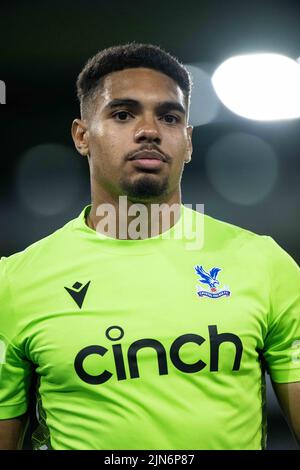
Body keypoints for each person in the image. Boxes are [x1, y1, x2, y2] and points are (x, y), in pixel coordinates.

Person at [0, 43, 299, 451]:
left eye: (169, 117)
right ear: (82, 136)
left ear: (188, 141)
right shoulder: (15, 283)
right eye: (123, 114)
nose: (149, 130)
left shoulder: (264, 264)